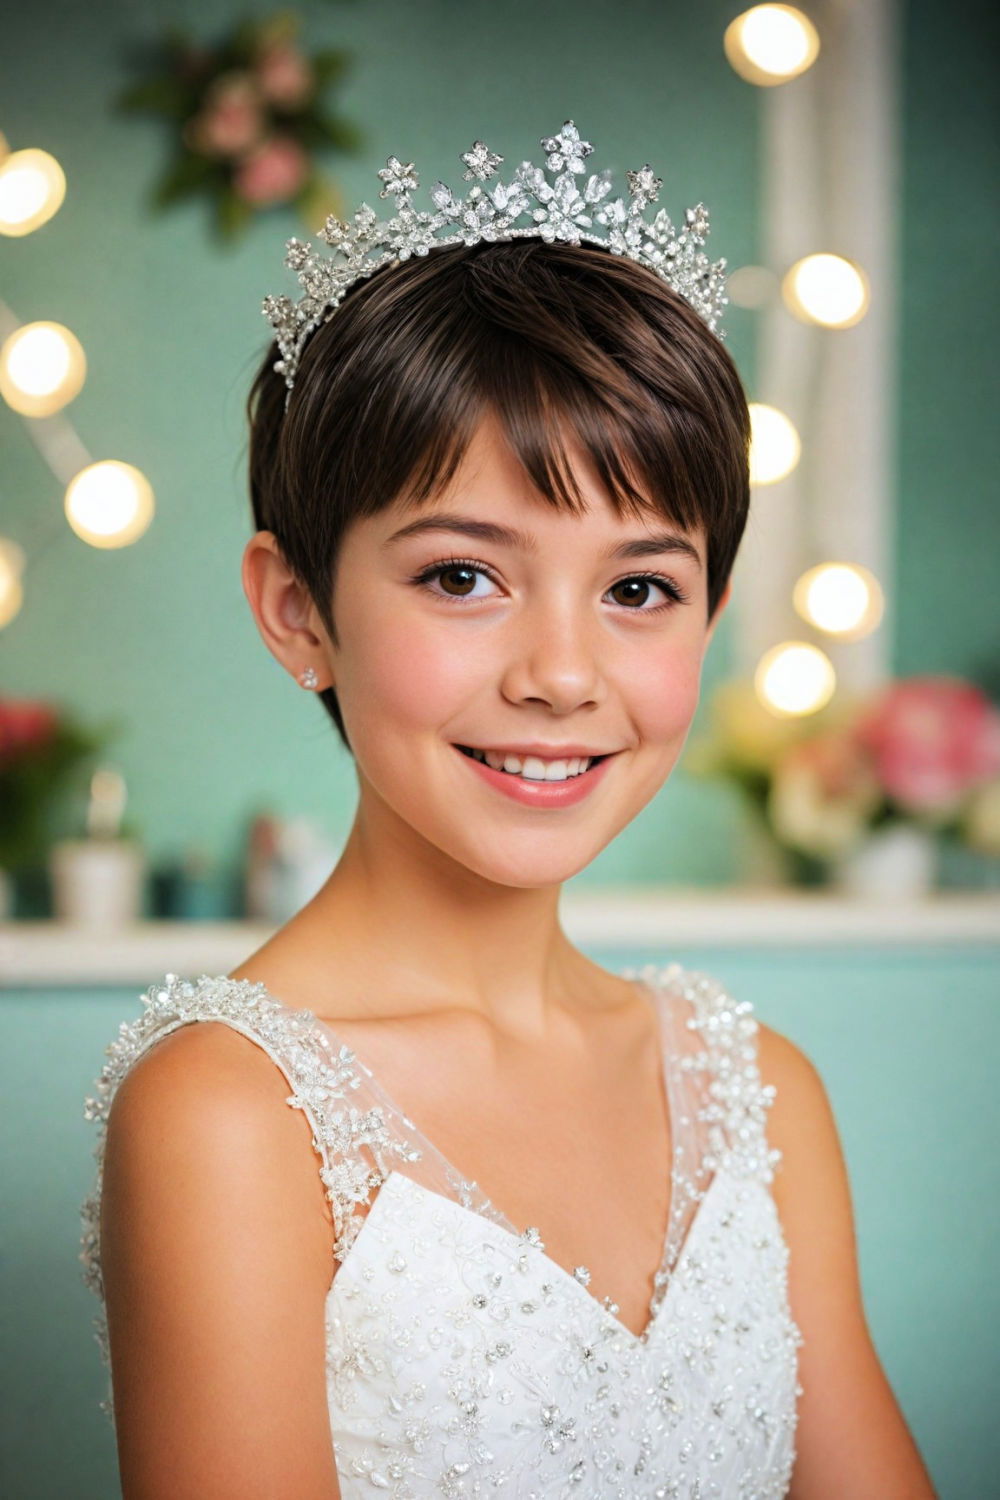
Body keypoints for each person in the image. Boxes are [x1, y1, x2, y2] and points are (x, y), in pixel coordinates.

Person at [80, 123, 937, 1499]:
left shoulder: (754, 1089)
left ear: (711, 615)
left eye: (639, 588)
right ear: (297, 611)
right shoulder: (232, 1116)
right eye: (464, 577)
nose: (558, 675)